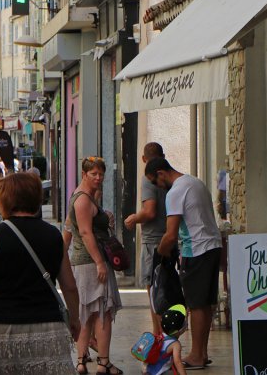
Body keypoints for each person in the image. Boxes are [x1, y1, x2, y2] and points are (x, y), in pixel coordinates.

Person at [0, 172, 81, 373]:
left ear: (5, 199)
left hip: (3, 331)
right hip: (47, 331)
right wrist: (74, 319)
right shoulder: (54, 236)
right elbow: (69, 286)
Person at [146, 157, 222, 371]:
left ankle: (197, 355)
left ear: (161, 173)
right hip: (212, 246)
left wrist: (159, 255)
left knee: (196, 304)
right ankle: (202, 352)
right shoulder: (195, 182)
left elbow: (170, 235)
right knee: (206, 303)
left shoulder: (175, 192)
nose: (157, 187)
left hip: (196, 250)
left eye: (154, 182)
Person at [64, 157, 122, 375]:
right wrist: (100, 262)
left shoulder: (84, 198)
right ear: (83, 174)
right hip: (90, 263)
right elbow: (86, 233)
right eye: (93, 174)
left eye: (101, 174)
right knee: (102, 313)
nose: (98, 178)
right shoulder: (82, 200)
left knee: (86, 313)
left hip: (83, 263)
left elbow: (72, 229)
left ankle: (81, 361)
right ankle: (103, 362)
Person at [124, 142, 168, 334]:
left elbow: (149, 212)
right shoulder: (169, 176)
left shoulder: (147, 179)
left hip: (153, 240)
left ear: (144, 159)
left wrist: (134, 218)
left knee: (153, 290)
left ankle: (158, 332)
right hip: (168, 237)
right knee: (166, 287)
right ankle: (166, 331)